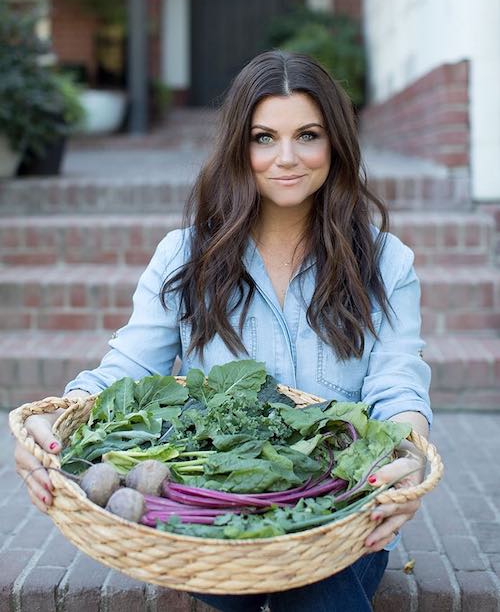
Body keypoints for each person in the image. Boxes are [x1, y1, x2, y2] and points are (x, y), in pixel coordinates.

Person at [14, 50, 432, 612]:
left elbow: (397, 384)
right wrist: (58, 420)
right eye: (265, 138)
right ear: (240, 145)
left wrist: (406, 456)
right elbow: (129, 370)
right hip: (217, 509)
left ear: (335, 143)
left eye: (308, 135)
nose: (287, 158)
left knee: (312, 569)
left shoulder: (386, 263)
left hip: (341, 508)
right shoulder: (185, 256)